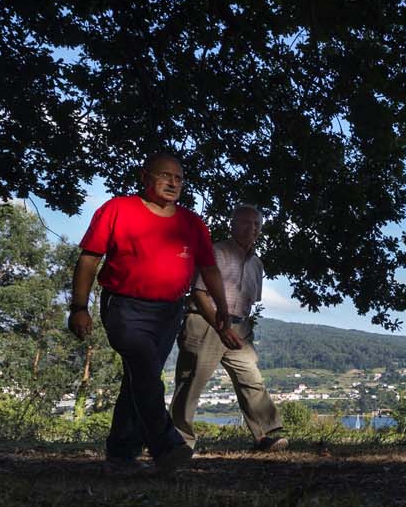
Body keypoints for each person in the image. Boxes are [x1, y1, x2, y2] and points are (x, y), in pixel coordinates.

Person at [68, 151, 230, 475]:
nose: (173, 182)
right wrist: (78, 307)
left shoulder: (192, 223)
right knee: (143, 367)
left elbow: (209, 269)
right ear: (145, 177)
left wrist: (222, 309)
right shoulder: (117, 209)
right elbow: (89, 260)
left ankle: (121, 453)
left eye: (179, 178)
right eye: (165, 175)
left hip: (169, 312)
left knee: (139, 378)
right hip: (124, 307)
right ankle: (166, 446)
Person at [169, 204, 288, 451]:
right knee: (191, 381)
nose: (251, 228)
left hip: (238, 326)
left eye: (256, 224)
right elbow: (199, 293)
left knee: (251, 378)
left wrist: (240, 329)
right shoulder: (216, 252)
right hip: (205, 322)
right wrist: (220, 327)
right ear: (232, 225)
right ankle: (178, 440)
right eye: (245, 222)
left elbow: (247, 304)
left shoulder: (257, 264)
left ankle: (266, 434)